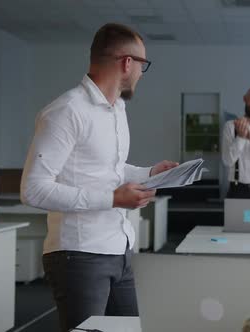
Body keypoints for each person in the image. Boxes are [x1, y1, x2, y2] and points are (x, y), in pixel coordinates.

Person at [20, 23, 179, 331]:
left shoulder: (117, 108)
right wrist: (112, 199)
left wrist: (149, 173)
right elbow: (33, 189)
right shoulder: (65, 112)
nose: (141, 75)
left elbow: (109, 169)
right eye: (143, 65)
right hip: (78, 255)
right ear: (127, 63)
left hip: (119, 249)